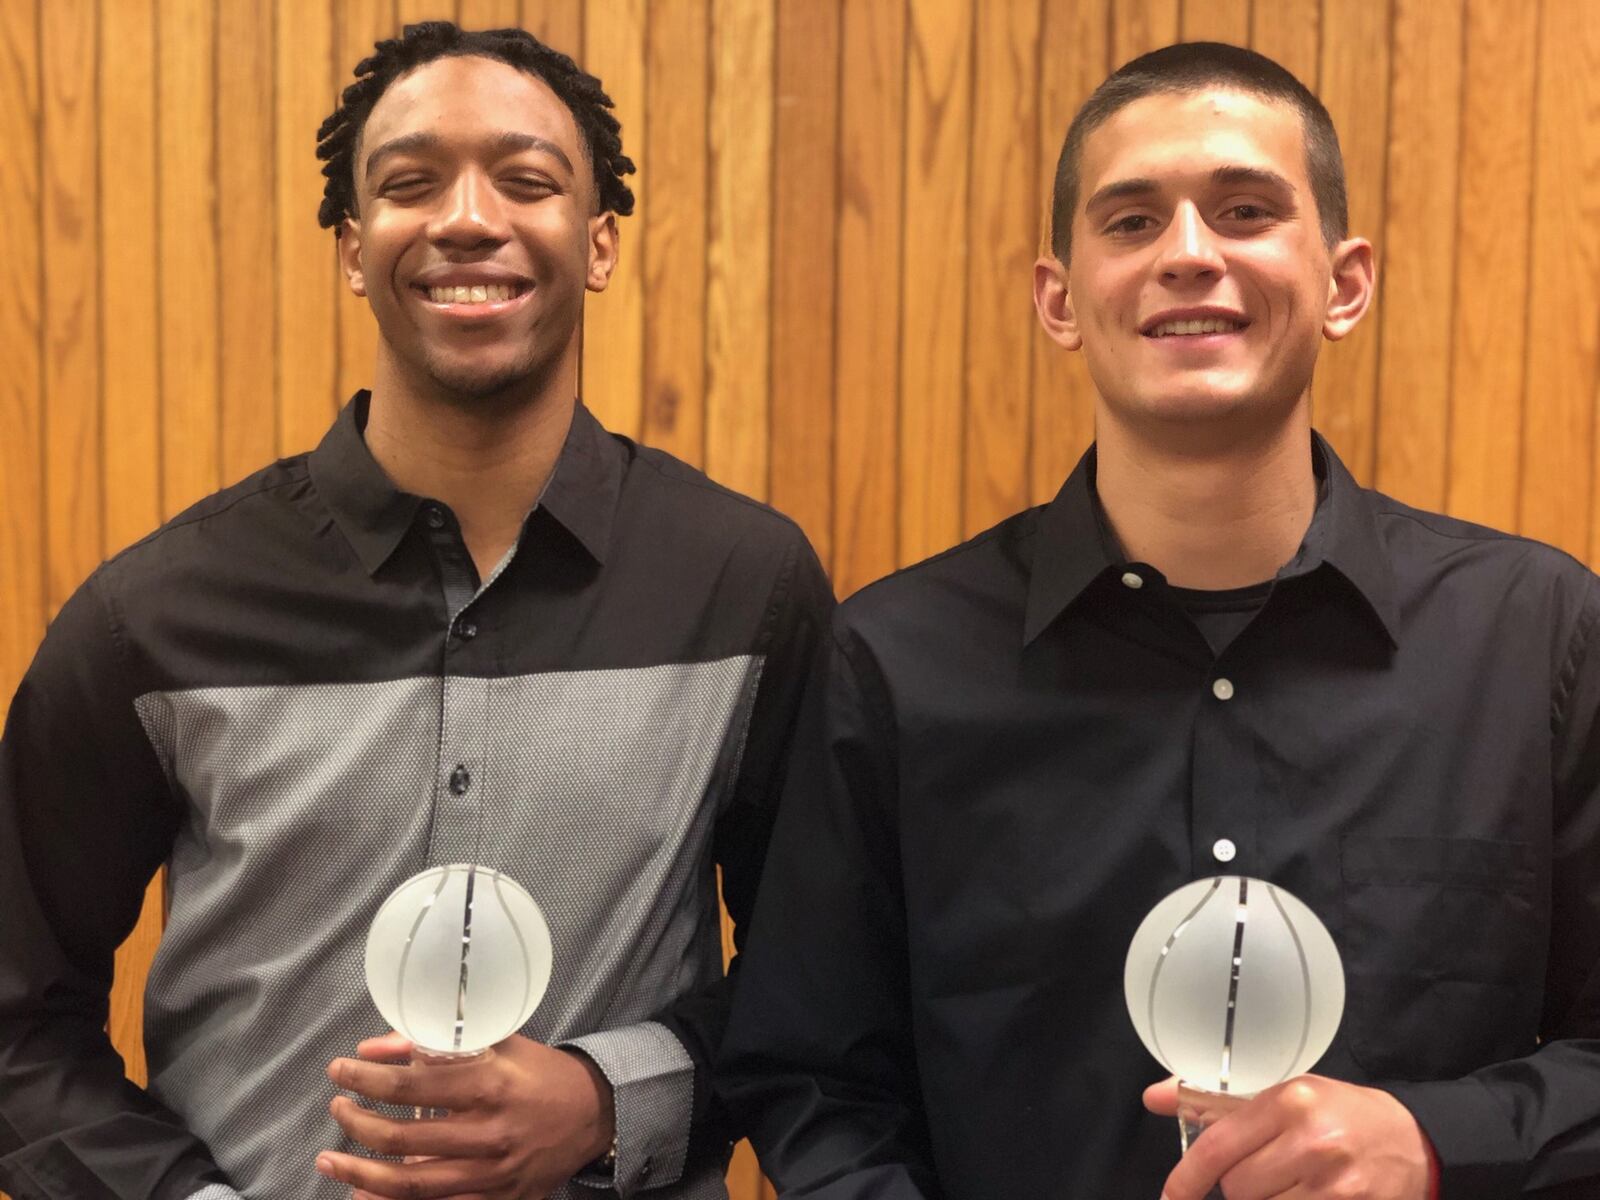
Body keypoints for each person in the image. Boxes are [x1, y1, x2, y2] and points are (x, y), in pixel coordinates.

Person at [719, 41, 1600, 1200]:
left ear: (1345, 283)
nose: (1190, 254)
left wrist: (1441, 1141)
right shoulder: (895, 660)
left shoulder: (1535, 634)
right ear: (1060, 299)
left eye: (1244, 209)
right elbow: (815, 1084)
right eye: (1131, 222)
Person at [0, 21, 830, 1200]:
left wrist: (611, 1099)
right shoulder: (155, 616)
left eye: (527, 180)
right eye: (408, 184)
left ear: (599, 243)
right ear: (353, 246)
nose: (466, 218)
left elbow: (827, 989)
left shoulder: (746, 590)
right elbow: (16, 1021)